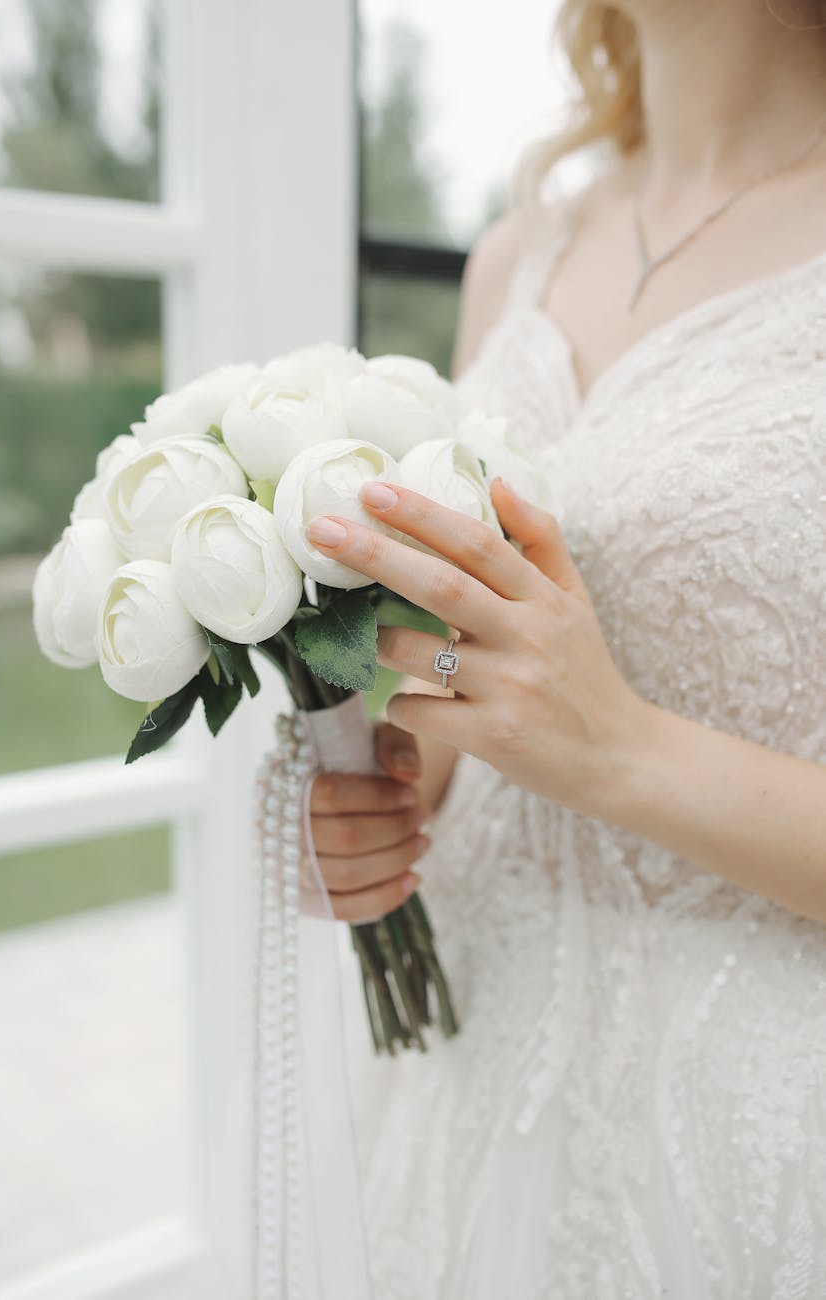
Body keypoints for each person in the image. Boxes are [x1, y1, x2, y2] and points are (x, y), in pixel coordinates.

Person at [306, 0, 826, 1293]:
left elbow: (584, 719)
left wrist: (622, 751)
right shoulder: (515, 257)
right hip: (467, 1094)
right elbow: (449, 663)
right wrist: (390, 772)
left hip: (756, 1152)